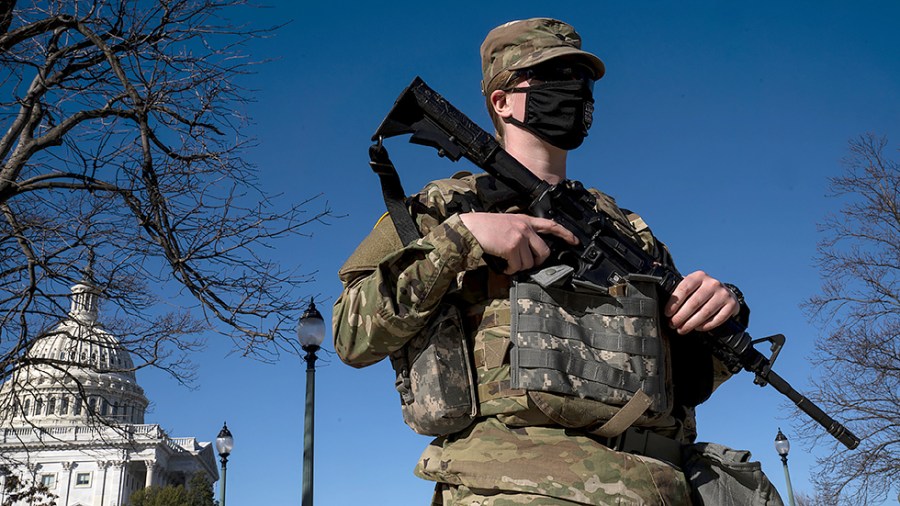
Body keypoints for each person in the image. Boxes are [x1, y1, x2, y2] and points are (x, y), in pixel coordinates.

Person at [333, 18, 753, 505]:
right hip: (515, 487)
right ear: (502, 100)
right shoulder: (443, 208)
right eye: (554, 77)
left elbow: (678, 383)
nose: (575, 91)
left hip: (656, 484)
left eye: (583, 80)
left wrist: (720, 313)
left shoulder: (627, 229)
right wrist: (462, 238)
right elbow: (349, 334)